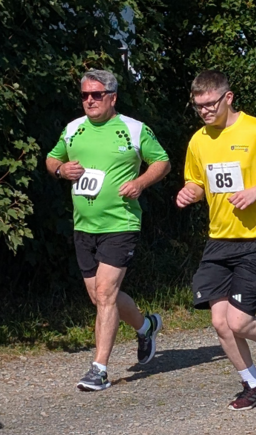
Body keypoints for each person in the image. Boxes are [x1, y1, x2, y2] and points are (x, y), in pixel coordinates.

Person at [176, 70, 256, 410]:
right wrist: (189, 193)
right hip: (219, 239)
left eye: (210, 104)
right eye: (198, 106)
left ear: (228, 98)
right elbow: (196, 182)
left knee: (239, 321)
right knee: (220, 322)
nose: (204, 111)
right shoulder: (198, 140)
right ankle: (254, 384)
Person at [45, 69, 170, 391]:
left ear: (112, 97)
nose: (89, 100)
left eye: (96, 94)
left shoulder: (133, 129)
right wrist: (60, 170)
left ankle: (98, 370)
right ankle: (145, 327)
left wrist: (141, 182)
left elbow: (162, 162)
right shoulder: (73, 129)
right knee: (100, 296)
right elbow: (51, 159)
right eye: (85, 95)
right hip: (84, 225)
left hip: (121, 223)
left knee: (105, 293)